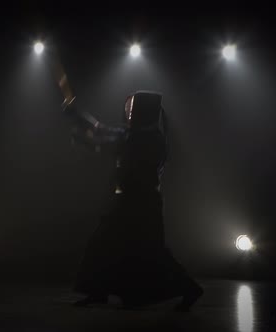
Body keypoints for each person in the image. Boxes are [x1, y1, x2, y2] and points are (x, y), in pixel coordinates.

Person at [63, 91, 203, 312]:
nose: (128, 114)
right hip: (127, 201)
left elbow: (111, 145)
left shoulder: (151, 139)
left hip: (143, 204)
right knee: (103, 244)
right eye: (128, 110)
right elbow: (100, 128)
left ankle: (190, 288)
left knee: (152, 253)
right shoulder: (133, 133)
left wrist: (86, 141)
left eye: (133, 110)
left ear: (144, 112)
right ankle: (98, 292)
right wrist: (76, 114)